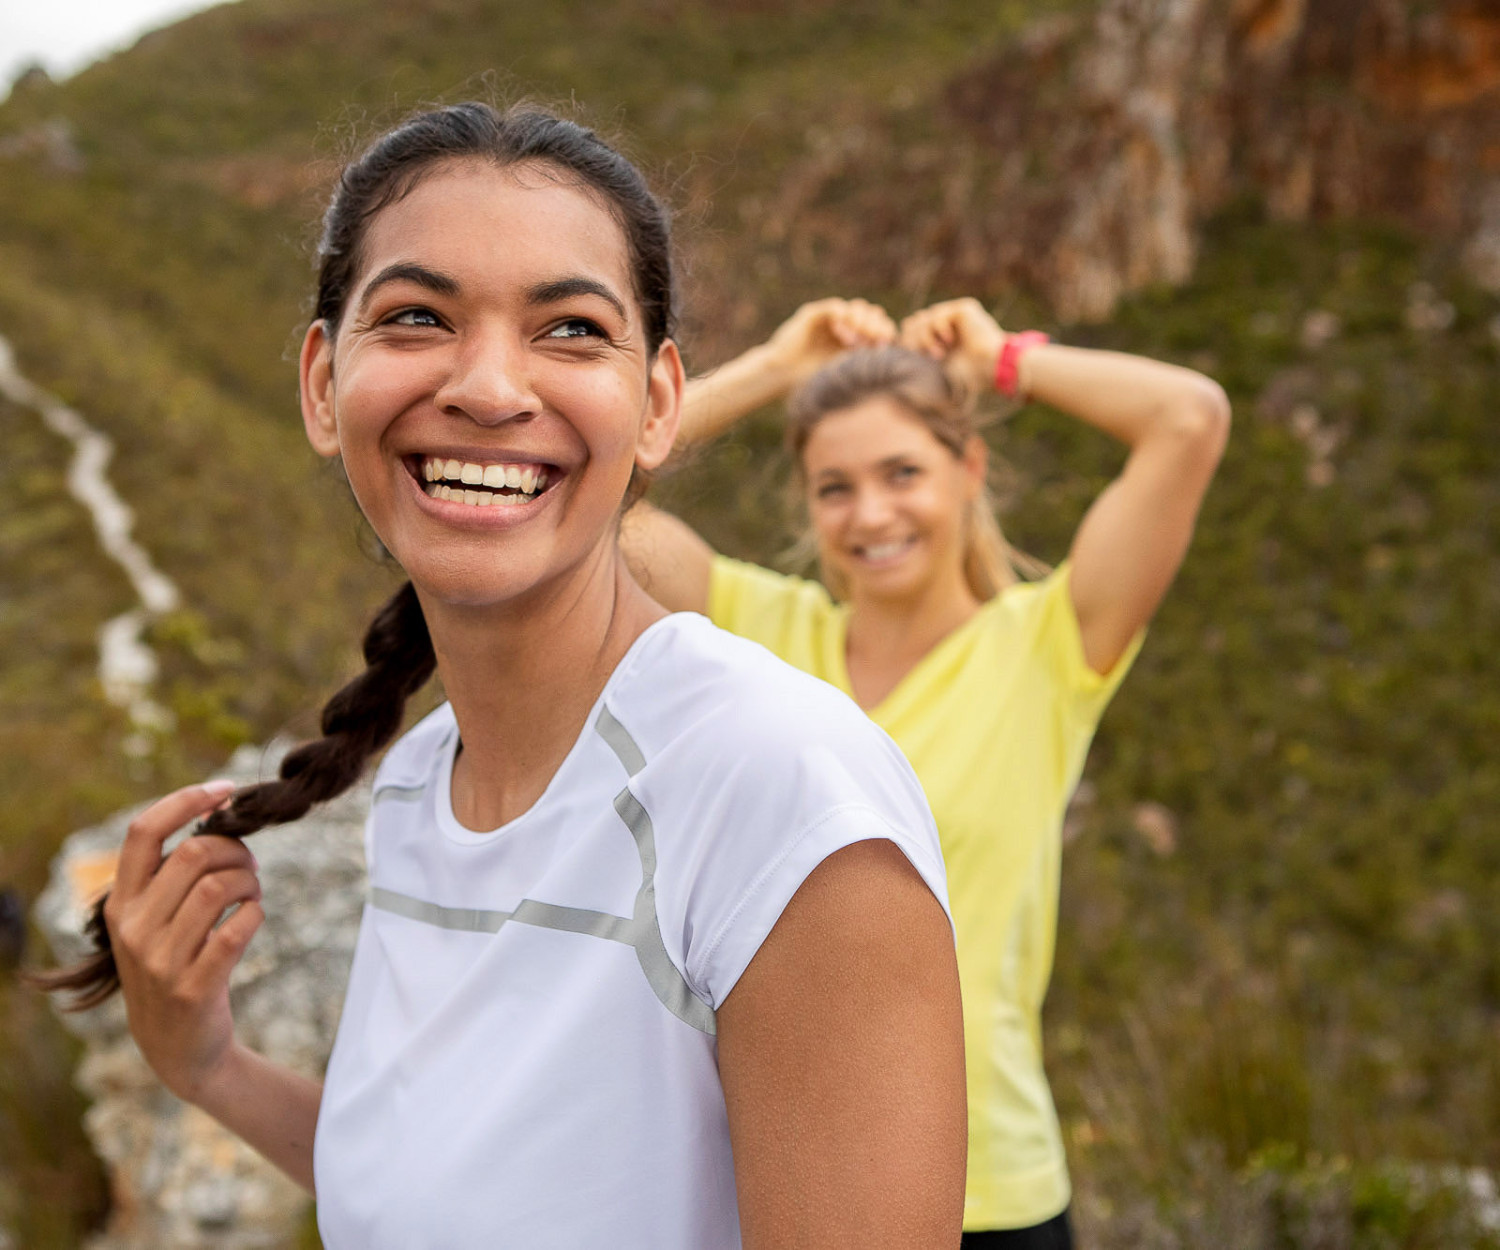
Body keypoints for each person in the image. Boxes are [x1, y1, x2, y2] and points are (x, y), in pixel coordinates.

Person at [35, 105, 968, 1248]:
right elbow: (439, 1196)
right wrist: (209, 1061)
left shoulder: (780, 794)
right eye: (418, 315)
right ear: (324, 383)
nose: (487, 386)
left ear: (661, 401)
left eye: (570, 329)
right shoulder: (425, 783)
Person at [623, 296, 1231, 1246]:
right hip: (774, 1186)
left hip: (990, 1197)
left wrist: (1003, 362)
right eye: (834, 487)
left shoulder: (1046, 648)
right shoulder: (759, 634)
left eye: (903, 472)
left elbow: (1189, 419)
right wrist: (777, 368)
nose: (871, 513)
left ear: (969, 470)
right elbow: (592, 483)